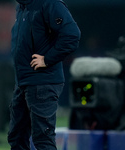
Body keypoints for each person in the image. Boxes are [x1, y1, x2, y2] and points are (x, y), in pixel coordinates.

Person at [8, 0, 81, 149]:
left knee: (43, 138)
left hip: (43, 82)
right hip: (23, 82)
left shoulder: (49, 3)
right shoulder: (22, 7)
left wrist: (47, 59)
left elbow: (72, 35)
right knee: (17, 137)